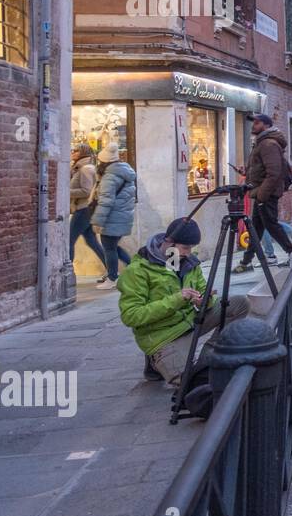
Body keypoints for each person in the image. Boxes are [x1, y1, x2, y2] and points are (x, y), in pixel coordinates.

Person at [119, 218, 250, 385]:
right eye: (185, 248)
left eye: (191, 248)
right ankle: (156, 359)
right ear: (169, 243)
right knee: (190, 385)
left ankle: (209, 357)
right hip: (163, 335)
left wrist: (205, 300)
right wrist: (177, 299)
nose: (188, 253)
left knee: (239, 304)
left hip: (190, 322)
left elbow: (202, 291)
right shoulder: (137, 271)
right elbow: (131, 316)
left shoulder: (189, 262)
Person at [245, 113, 292, 259]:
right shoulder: (262, 142)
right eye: (253, 122)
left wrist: (262, 194)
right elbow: (262, 167)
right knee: (257, 227)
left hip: (265, 193)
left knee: (271, 226)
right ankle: (246, 260)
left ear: (266, 125)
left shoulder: (268, 144)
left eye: (257, 123)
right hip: (261, 192)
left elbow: (273, 172)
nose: (254, 125)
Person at [90, 143, 136, 290]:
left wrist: (97, 220)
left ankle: (112, 278)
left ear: (104, 162)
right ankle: (134, 270)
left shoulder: (110, 177)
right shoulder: (124, 172)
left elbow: (105, 201)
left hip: (112, 217)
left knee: (109, 247)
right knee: (113, 246)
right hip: (122, 216)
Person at [68, 143, 106, 278]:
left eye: (76, 150)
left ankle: (68, 274)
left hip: (83, 210)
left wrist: (66, 191)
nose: (73, 152)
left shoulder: (85, 169)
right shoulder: (80, 167)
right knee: (92, 241)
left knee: (69, 241)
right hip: (84, 209)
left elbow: (86, 191)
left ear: (83, 152)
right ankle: (112, 272)